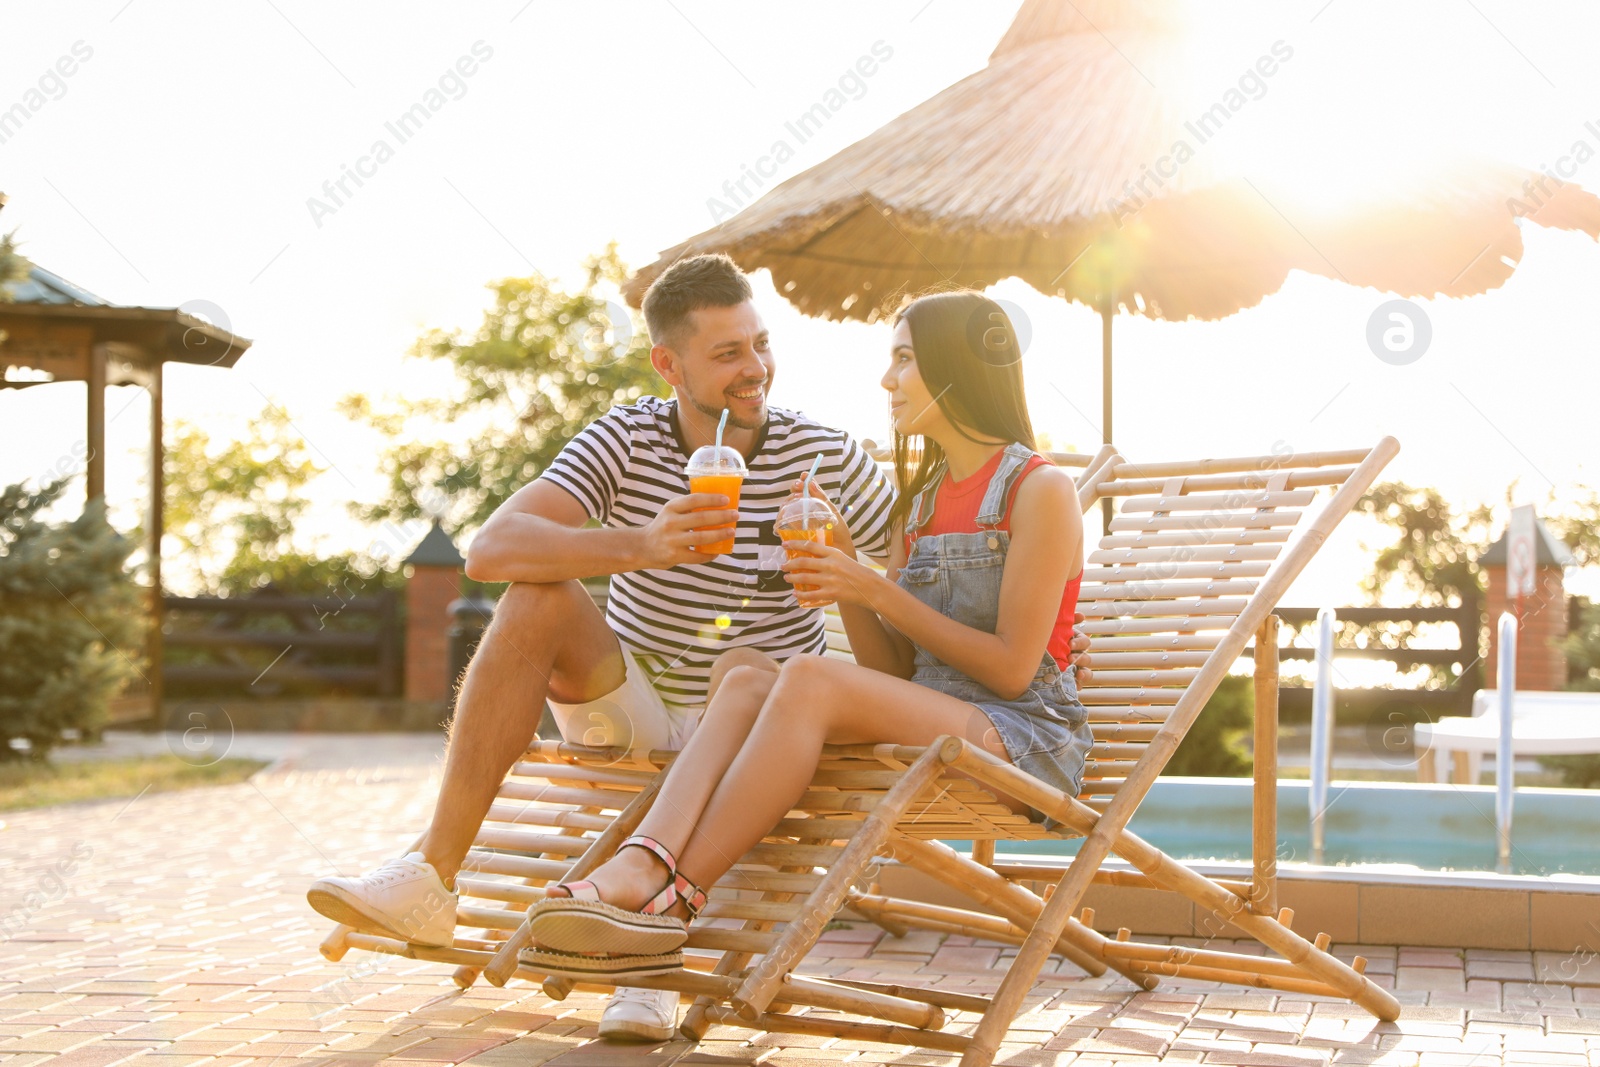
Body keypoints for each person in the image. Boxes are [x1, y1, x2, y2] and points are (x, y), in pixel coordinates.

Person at [521, 290, 1094, 983]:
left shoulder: (1040, 489)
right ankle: (644, 859)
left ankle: (672, 900)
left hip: (1024, 741)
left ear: (956, 368)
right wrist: (844, 577)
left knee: (807, 675)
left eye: (904, 360)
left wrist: (871, 586)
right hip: (941, 721)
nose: (886, 380)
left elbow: (1011, 670)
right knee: (744, 671)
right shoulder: (917, 505)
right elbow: (895, 672)